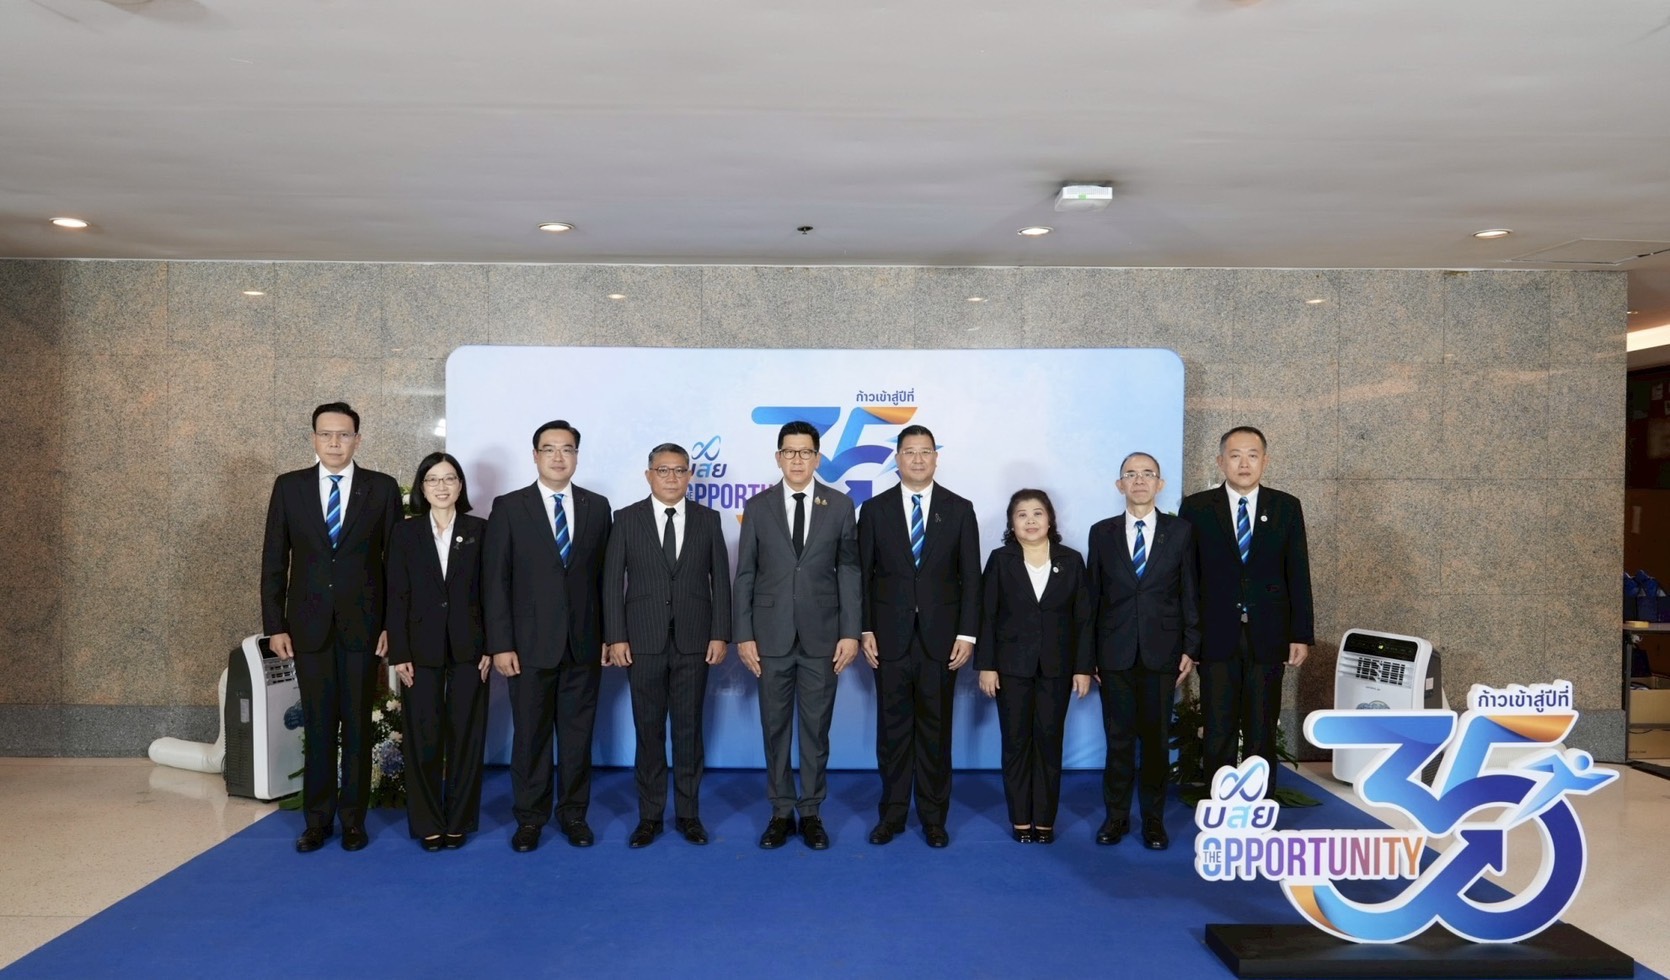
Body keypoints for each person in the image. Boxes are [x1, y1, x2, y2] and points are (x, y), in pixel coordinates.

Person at [260, 402, 402, 853]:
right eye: (326, 434)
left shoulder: (381, 488)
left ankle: (354, 821)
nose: (335, 442)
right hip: (308, 627)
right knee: (319, 725)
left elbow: (396, 564)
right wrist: (275, 625)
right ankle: (317, 821)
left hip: (364, 627)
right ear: (314, 439)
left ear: (358, 439)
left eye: (344, 434)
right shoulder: (290, 487)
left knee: (357, 725)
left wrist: (392, 625)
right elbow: (274, 560)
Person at [483, 420, 613, 852]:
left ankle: (574, 815)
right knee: (531, 738)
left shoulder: (598, 507)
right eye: (549, 448)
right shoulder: (509, 507)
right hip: (527, 647)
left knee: (578, 739)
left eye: (567, 449)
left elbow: (605, 579)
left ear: (577, 455)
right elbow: (496, 581)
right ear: (535, 455)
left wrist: (608, 636)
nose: (559, 457)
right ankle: (530, 818)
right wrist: (501, 644)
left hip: (583, 644)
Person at [733, 420, 861, 850]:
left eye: (806, 452)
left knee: (816, 731)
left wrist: (850, 632)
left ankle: (811, 813)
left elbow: (849, 571)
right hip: (769, 637)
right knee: (774, 729)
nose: (797, 460)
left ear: (817, 458)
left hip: (823, 637)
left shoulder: (840, 505)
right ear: (778, 457)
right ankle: (780, 812)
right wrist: (743, 634)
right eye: (789, 452)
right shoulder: (758, 506)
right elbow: (745, 573)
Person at [602, 443, 732, 849]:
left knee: (689, 731)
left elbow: (720, 580)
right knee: (648, 730)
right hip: (642, 641)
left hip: (695, 640)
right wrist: (616, 636)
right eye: (663, 470)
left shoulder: (708, 519)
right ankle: (650, 816)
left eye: (679, 470)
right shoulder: (626, 519)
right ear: (649, 475)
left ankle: (689, 815)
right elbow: (611, 582)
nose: (671, 477)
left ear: (690, 475)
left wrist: (720, 633)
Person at [858, 424, 980, 848]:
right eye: (909, 451)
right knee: (892, 732)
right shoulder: (874, 510)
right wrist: (865, 628)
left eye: (925, 451)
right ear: (897, 458)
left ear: (936, 457)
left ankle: (933, 818)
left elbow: (971, 577)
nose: (917, 458)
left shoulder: (959, 509)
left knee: (935, 731)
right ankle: (891, 815)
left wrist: (967, 634)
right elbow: (863, 576)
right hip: (888, 639)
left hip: (941, 641)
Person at [1178, 426, 1313, 797]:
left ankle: (1259, 802)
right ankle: (1218, 801)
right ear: (1220, 461)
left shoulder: (1286, 507)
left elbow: (1297, 572)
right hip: (1215, 634)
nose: (1244, 463)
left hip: (1269, 634)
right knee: (1217, 724)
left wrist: (1300, 634)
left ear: (1265, 461)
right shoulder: (1198, 508)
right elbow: (1187, 577)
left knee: (1262, 723)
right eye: (1235, 455)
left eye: (1252, 455)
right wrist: (1189, 639)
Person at [1086, 453, 1199, 850]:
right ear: (1119, 485)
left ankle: (1153, 821)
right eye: (1130, 475)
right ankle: (1116, 818)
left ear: (1159, 484)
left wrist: (1191, 647)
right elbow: (1092, 598)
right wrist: (1088, 655)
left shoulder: (1180, 531)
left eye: (1147, 474)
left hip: (1162, 652)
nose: (1139, 481)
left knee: (1155, 742)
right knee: (1118, 742)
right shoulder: (1101, 533)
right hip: (1113, 653)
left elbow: (1189, 591)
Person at [385, 452, 490, 851]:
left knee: (466, 736)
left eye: (449, 478)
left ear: (461, 485)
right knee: (423, 737)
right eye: (432, 479)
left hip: (471, 648)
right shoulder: (404, 533)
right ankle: (428, 822)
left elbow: (492, 592)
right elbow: (396, 595)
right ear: (422, 487)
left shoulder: (480, 530)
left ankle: (459, 819)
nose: (441, 486)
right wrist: (399, 652)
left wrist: (492, 645)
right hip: (419, 649)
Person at [976, 489, 1092, 844]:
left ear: (1050, 519)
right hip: (1011, 668)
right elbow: (987, 614)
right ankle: (1020, 819)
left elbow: (1084, 618)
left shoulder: (1071, 560)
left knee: (1049, 742)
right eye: (1022, 514)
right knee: (1015, 743)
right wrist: (987, 665)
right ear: (1012, 523)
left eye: (1038, 513)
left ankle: (1044, 820)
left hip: (1058, 668)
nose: (1030, 521)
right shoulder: (1000, 560)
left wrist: (1083, 667)